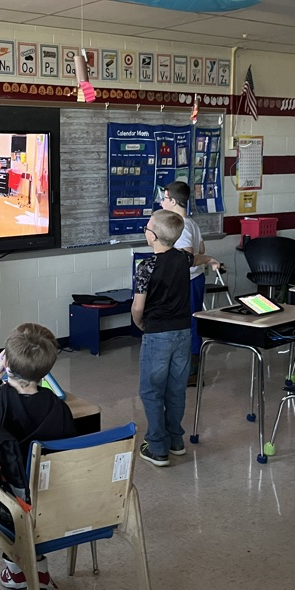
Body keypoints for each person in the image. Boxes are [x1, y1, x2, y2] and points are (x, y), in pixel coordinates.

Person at [0, 322, 76, 590]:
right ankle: (32, 568)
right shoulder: (59, 408)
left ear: (6, 363)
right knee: (22, 482)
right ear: (46, 370)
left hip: (11, 509)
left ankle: (19, 567)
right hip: (59, 504)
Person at [131, 209, 192, 468]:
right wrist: (210, 257)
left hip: (158, 334)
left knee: (151, 390)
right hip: (184, 332)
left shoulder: (146, 267)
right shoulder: (182, 259)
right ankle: (176, 441)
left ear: (153, 236)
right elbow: (197, 256)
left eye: (147, 226)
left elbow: (137, 307)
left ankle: (157, 447)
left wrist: (140, 324)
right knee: (176, 388)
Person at [161, 182, 220, 385]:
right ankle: (188, 369)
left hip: (187, 281)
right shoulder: (191, 223)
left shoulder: (182, 226)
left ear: (174, 201)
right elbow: (201, 248)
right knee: (190, 322)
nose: (161, 202)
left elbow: (189, 257)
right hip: (195, 279)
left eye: (164, 198)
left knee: (189, 325)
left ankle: (191, 372)